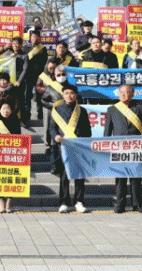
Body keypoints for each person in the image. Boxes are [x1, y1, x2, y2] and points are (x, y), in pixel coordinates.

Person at [104, 85, 142, 214]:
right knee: (120, 177)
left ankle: (137, 204)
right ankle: (120, 205)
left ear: (132, 94)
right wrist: (106, 147)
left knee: (136, 177)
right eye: (122, 92)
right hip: (119, 148)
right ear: (118, 94)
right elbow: (107, 131)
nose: (124, 94)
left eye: (127, 92)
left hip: (136, 147)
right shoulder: (112, 109)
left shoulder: (140, 108)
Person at [50, 83, 92, 214]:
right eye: (67, 93)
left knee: (79, 175)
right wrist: (55, 136)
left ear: (76, 95)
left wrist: (84, 143)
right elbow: (52, 127)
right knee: (64, 175)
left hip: (78, 146)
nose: (69, 96)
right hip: (63, 146)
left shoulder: (82, 110)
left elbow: (87, 129)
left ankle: (79, 201)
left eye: (72, 93)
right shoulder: (57, 109)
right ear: (63, 95)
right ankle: (64, 202)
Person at [0, 100, 21, 213]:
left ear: (11, 110)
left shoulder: (15, 121)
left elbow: (19, 137)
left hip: (12, 154)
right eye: (3, 108)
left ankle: (9, 203)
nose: (6, 111)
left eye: (8, 108)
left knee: (11, 179)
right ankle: (1, 202)